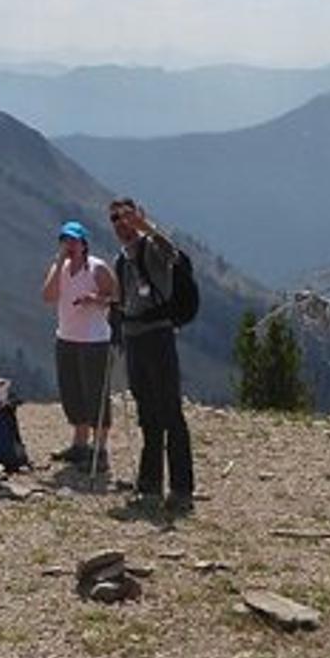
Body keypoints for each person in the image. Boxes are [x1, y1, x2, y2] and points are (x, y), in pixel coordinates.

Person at [107, 197, 197, 518]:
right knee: (147, 411)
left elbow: (177, 255)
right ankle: (150, 482)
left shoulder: (151, 249)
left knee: (170, 410)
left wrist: (146, 227)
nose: (120, 223)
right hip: (134, 338)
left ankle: (182, 488)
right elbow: (123, 301)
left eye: (125, 216)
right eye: (115, 218)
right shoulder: (121, 259)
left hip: (157, 335)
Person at [41, 221, 118, 474]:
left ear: (84, 244)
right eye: (65, 241)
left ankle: (100, 450)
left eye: (74, 241)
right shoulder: (60, 269)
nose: (70, 246)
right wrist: (58, 262)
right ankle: (79, 443)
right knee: (71, 391)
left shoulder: (97, 268)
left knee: (95, 393)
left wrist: (95, 300)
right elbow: (48, 296)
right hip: (66, 337)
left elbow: (116, 297)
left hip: (94, 340)